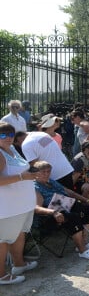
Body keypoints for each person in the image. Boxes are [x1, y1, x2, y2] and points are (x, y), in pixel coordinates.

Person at [33, 161, 89, 260]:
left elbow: (69, 192)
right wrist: (54, 212)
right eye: (43, 172)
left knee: (87, 208)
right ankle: (82, 250)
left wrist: (85, 200)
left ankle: (83, 241)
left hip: (64, 206)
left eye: (48, 171)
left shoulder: (51, 181)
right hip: (49, 216)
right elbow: (36, 208)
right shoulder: (35, 187)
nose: (47, 174)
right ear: (35, 173)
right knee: (73, 217)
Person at [0, 122, 37, 285]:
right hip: (7, 209)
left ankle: (19, 265)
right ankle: (1, 275)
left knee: (19, 234)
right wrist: (23, 177)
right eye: (3, 135)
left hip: (22, 206)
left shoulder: (13, 149)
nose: (8, 138)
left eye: (10, 134)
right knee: (2, 240)